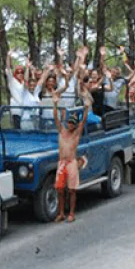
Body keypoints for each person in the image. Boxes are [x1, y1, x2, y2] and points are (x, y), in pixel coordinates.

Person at [52, 92, 90, 222]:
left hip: (71, 162)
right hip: (62, 163)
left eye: (73, 123)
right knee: (60, 189)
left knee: (72, 190)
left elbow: (83, 121)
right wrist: (55, 104)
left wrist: (86, 107)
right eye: (69, 122)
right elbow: (56, 118)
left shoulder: (76, 135)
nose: (70, 125)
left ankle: (71, 213)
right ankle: (61, 213)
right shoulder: (62, 131)